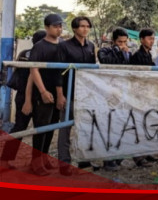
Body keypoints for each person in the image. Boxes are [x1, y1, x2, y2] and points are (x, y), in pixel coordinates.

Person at [0, 30, 46, 173]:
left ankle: (5, 161)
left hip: (21, 96)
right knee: (37, 130)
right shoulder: (38, 56)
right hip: (30, 97)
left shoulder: (24, 54)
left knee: (19, 127)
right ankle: (36, 163)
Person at [56, 16, 96, 175]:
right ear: (74, 29)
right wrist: (60, 94)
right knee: (65, 129)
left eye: (87, 26)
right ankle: (64, 163)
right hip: (69, 93)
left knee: (85, 127)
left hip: (85, 94)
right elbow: (58, 72)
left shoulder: (91, 46)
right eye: (82, 26)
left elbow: (92, 70)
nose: (85, 29)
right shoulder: (64, 46)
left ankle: (83, 160)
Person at [27, 14, 65, 176]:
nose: (59, 29)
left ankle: (44, 157)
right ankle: (35, 163)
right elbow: (33, 69)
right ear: (47, 27)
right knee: (41, 127)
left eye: (60, 26)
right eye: (56, 26)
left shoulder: (62, 45)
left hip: (58, 91)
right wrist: (42, 91)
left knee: (52, 126)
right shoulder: (40, 46)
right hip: (44, 92)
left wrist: (60, 93)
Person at [97, 27, 132, 171]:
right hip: (108, 94)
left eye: (124, 42)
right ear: (113, 41)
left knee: (121, 125)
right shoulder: (104, 51)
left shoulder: (128, 54)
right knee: (109, 126)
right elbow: (105, 61)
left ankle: (118, 156)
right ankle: (108, 159)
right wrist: (118, 51)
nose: (122, 44)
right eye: (119, 42)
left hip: (123, 93)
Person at [128, 28, 158, 166]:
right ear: (141, 40)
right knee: (138, 124)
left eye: (153, 38)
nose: (151, 41)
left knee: (147, 123)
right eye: (149, 38)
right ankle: (138, 156)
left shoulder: (148, 55)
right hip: (138, 94)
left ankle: (145, 152)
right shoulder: (137, 56)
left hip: (147, 93)